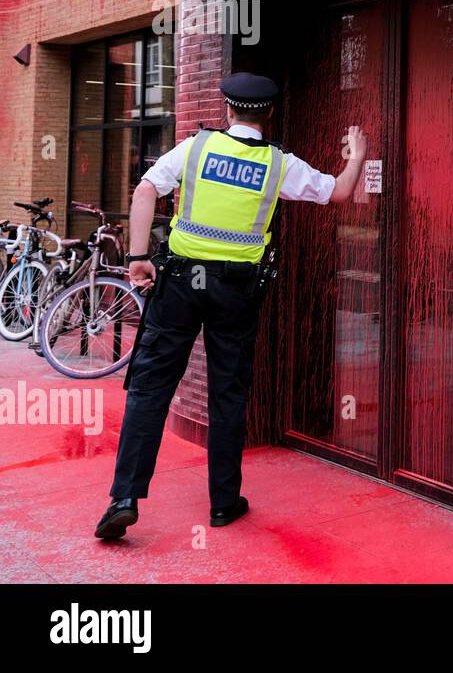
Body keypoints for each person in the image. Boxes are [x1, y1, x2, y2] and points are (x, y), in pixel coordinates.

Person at [94, 72, 367, 540]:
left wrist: (138, 259)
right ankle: (223, 503)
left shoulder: (195, 148)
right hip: (235, 291)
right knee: (227, 394)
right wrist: (357, 156)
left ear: (227, 110)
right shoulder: (279, 164)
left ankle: (124, 497)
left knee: (151, 389)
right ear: (270, 115)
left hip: (179, 282)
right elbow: (338, 192)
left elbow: (144, 191)